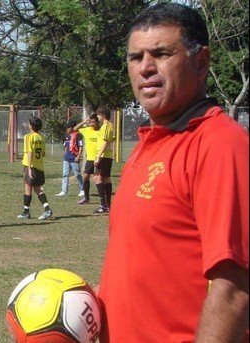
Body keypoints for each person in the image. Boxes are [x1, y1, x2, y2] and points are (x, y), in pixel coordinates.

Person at [98, 3, 249, 342]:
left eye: (161, 53)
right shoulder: (150, 143)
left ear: (202, 61)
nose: (145, 68)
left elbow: (235, 289)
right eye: (135, 58)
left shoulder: (220, 144)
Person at [16, 117, 53, 220]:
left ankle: (27, 212)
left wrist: (28, 168)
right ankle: (46, 209)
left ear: (31, 126)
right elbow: (43, 153)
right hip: (39, 166)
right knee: (37, 188)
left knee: (28, 187)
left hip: (31, 166)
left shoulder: (28, 137)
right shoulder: (41, 137)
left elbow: (30, 152)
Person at [73, 114, 100, 205]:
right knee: (86, 177)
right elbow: (74, 129)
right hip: (90, 159)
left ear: (97, 122)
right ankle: (86, 198)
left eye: (94, 122)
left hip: (100, 158)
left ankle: (103, 200)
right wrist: (85, 122)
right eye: (91, 122)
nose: (92, 124)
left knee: (100, 178)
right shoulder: (87, 130)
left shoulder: (101, 131)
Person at [92, 106, 114, 213]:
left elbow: (105, 142)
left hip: (104, 156)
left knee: (97, 177)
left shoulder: (106, 126)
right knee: (106, 178)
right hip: (107, 156)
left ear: (103, 115)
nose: (97, 116)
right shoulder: (109, 125)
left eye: (98, 114)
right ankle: (108, 205)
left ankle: (103, 205)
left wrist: (98, 156)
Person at [55, 120, 84, 197]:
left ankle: (82, 189)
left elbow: (81, 146)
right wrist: (65, 154)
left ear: (72, 127)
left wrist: (78, 156)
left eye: (68, 127)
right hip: (67, 158)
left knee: (77, 174)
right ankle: (64, 191)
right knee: (65, 174)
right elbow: (65, 146)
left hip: (74, 158)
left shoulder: (78, 135)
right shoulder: (67, 136)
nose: (67, 129)